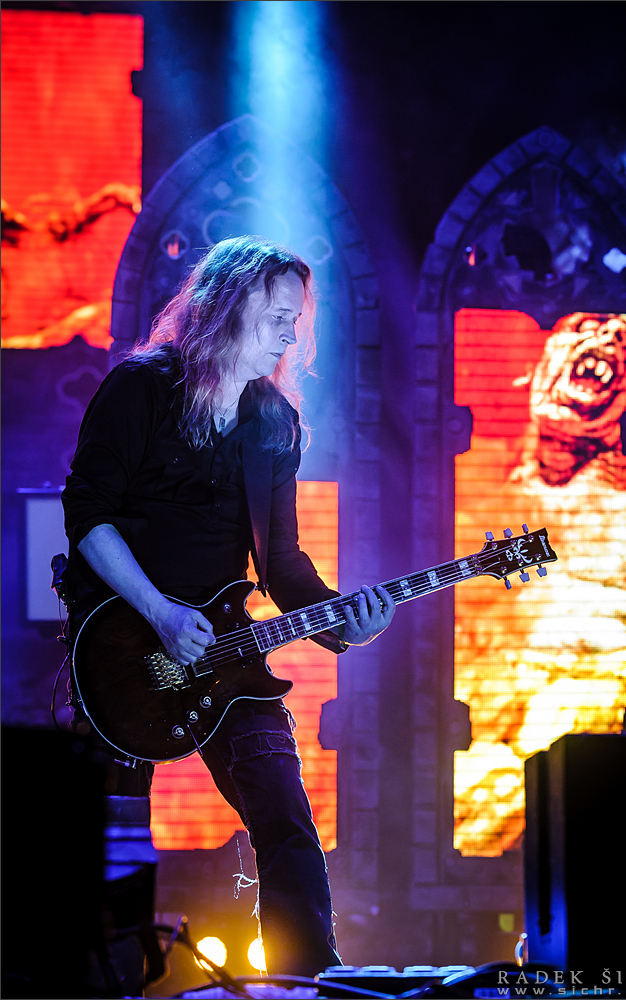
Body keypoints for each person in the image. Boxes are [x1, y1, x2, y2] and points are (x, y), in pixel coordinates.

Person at [62, 236, 395, 979]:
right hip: (122, 645)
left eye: (295, 318)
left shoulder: (273, 422)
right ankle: (101, 985)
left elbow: (282, 564)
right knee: (113, 841)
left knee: (287, 820)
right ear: (224, 306)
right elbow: (87, 513)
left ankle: (306, 983)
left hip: (228, 652)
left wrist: (346, 621)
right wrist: (159, 612)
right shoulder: (142, 388)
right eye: (275, 315)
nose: (289, 332)